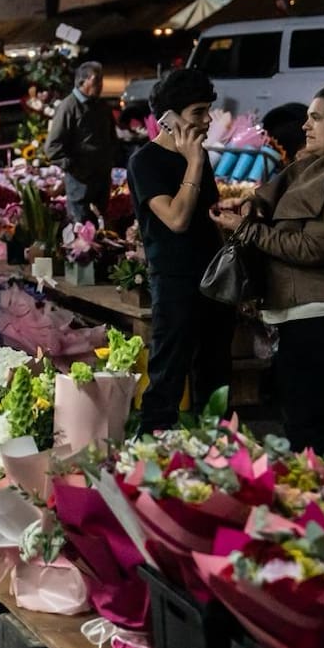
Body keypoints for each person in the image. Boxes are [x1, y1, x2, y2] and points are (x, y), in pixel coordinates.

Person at [212, 75, 324, 461]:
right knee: (303, 428)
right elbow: (268, 195)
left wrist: (247, 230)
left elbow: (316, 247)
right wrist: (249, 207)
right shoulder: (309, 164)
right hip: (303, 323)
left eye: (315, 118)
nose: (304, 125)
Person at [128, 68, 233, 432]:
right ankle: (150, 447)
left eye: (207, 111)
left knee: (216, 375)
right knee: (167, 374)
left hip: (214, 279)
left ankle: (218, 448)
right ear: (169, 119)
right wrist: (194, 163)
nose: (207, 121)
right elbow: (176, 219)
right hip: (175, 282)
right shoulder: (145, 162)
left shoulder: (197, 156)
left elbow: (207, 216)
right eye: (198, 113)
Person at [45, 61, 115, 223]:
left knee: (102, 226)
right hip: (80, 183)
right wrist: (74, 167)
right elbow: (52, 148)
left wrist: (110, 158)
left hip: (101, 179)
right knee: (81, 227)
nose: (101, 85)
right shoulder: (68, 107)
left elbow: (111, 136)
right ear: (85, 81)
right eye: (97, 81)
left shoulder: (101, 105)